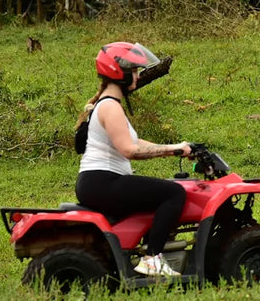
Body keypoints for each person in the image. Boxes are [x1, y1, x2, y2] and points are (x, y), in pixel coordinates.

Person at [75, 42, 192, 276]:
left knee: (160, 191)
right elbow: (130, 150)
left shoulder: (108, 104)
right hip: (102, 182)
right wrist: (173, 150)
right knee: (174, 193)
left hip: (99, 181)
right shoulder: (110, 107)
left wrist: (176, 147)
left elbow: (135, 142)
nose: (138, 76)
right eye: (135, 71)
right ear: (120, 72)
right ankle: (152, 258)